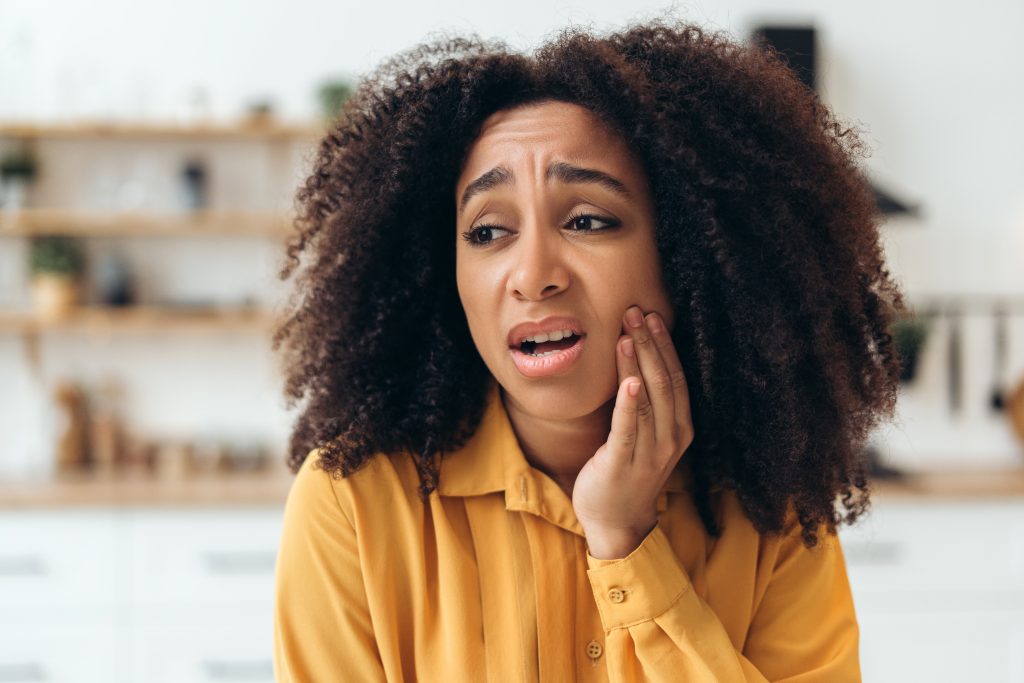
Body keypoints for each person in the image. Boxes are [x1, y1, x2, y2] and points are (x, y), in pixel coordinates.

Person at [271, 15, 904, 683]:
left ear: (687, 254)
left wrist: (627, 544)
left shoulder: (770, 505)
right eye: (487, 232)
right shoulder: (356, 502)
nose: (534, 273)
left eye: (587, 220)